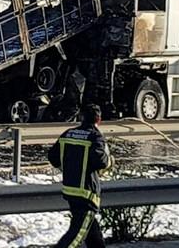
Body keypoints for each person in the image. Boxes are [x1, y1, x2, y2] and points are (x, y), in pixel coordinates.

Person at [48, 104, 113, 248]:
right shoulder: (95, 136)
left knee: (93, 236)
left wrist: (69, 168)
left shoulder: (68, 133)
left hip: (70, 191)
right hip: (87, 194)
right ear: (99, 119)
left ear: (81, 117)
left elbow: (53, 157)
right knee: (76, 237)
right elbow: (101, 162)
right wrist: (110, 160)